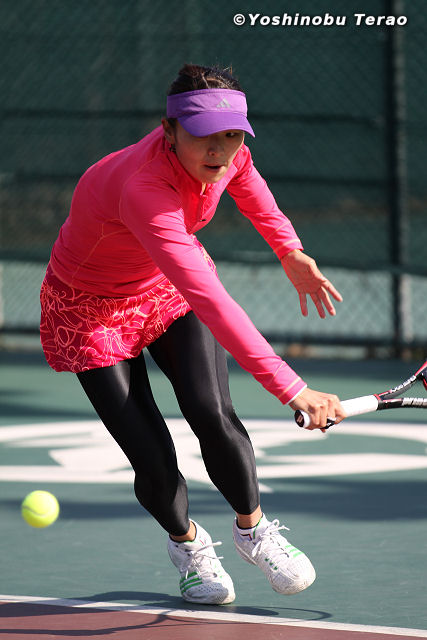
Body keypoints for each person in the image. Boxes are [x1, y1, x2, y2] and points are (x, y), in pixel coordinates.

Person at [40, 63, 346, 605]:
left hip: (160, 288)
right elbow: (210, 298)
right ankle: (188, 545)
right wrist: (292, 388)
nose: (219, 150)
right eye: (204, 135)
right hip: (89, 310)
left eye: (232, 135)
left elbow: (252, 190)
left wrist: (290, 250)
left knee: (212, 412)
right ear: (169, 130)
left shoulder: (230, 156)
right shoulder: (143, 188)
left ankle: (253, 531)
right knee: (152, 456)